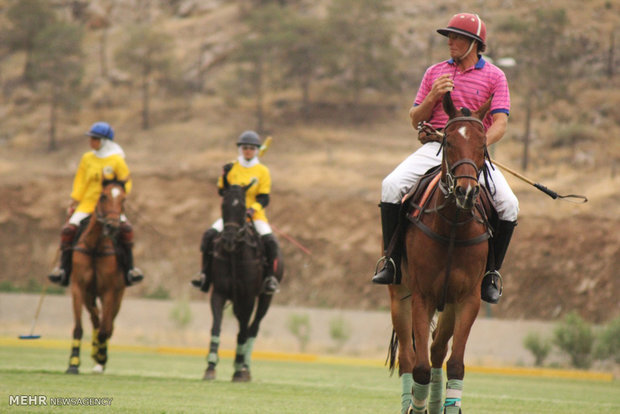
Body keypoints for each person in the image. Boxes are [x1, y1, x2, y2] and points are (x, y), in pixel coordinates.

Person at [371, 13, 518, 304]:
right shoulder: (434, 72)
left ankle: (491, 274)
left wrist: (473, 147)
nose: (450, 41)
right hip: (435, 147)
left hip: (472, 155)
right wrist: (432, 98)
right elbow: (415, 119)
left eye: (457, 37)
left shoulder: (495, 76)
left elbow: (500, 123)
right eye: (449, 36)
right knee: (391, 185)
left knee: (510, 205)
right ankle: (391, 261)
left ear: (474, 43)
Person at [48, 122, 144, 287]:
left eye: (95, 138)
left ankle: (130, 269)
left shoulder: (117, 160)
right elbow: (80, 180)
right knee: (68, 230)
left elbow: (125, 182)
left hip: (109, 207)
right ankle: (63, 269)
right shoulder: (87, 158)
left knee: (126, 230)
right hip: (87, 204)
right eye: (91, 138)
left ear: (105, 141)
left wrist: (119, 197)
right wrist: (75, 198)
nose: (91, 141)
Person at [192, 130, 281, 295]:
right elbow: (222, 192)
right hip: (232, 217)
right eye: (245, 147)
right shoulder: (231, 167)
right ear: (240, 149)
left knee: (272, 243)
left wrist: (252, 209)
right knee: (209, 235)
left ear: (256, 150)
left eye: (252, 148)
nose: (248, 150)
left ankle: (270, 279)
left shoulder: (263, 171)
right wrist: (225, 177)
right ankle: (204, 275)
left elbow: (264, 198)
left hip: (255, 215)